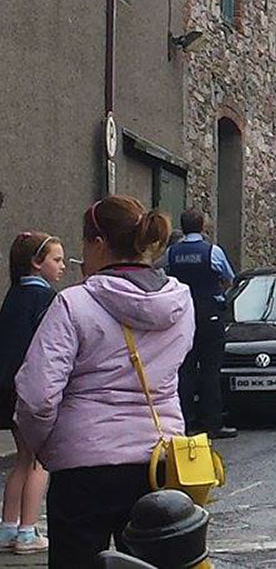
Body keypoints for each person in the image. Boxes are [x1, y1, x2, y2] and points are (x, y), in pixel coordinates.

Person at [15, 196, 194, 568]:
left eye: (83, 243)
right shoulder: (180, 302)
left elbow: (37, 396)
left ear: (98, 243)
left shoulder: (71, 303)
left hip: (84, 468)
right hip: (160, 461)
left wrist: (44, 446)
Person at [0, 232, 65, 554]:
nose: (63, 266)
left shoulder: (13, 296)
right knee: (40, 462)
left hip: (8, 390)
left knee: (22, 461)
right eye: (56, 260)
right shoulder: (47, 299)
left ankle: (8, 527)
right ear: (37, 264)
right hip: (33, 392)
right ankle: (27, 532)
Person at [166, 209, 237, 439]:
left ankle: (186, 423)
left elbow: (161, 274)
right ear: (202, 226)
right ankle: (213, 424)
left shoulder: (172, 252)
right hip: (209, 315)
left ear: (182, 226)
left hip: (182, 314)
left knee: (185, 370)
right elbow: (229, 277)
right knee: (210, 370)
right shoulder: (212, 251)